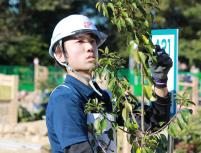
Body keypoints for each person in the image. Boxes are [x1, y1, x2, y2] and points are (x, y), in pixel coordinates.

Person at [46, 14, 172, 153]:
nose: (89, 47)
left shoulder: (105, 97)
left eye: (92, 41)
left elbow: (151, 125)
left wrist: (160, 81)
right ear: (60, 54)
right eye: (80, 41)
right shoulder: (65, 98)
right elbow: (80, 150)